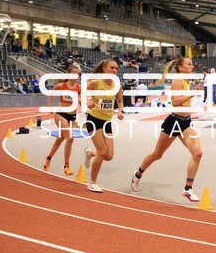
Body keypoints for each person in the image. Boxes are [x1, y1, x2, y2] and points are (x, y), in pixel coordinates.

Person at [130, 57, 203, 202]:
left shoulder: (187, 82)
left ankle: (187, 189)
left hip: (186, 123)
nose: (192, 66)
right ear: (180, 68)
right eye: (189, 64)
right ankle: (137, 174)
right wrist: (193, 93)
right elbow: (175, 102)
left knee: (198, 153)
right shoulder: (178, 80)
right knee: (157, 154)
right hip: (173, 122)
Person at [82, 60, 124, 193]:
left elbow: (120, 100)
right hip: (93, 119)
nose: (114, 70)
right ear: (105, 69)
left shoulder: (116, 85)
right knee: (102, 152)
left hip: (107, 121)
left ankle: (89, 153)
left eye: (116, 68)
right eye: (112, 68)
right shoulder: (95, 83)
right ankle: (92, 182)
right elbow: (80, 96)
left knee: (109, 155)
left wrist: (120, 111)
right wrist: (87, 101)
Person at [43, 63, 82, 177]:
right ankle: (66, 166)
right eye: (73, 74)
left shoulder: (79, 88)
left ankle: (48, 158)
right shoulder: (61, 86)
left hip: (73, 117)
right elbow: (50, 94)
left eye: (77, 74)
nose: (75, 76)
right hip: (61, 114)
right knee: (70, 138)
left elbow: (80, 100)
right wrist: (50, 106)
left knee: (59, 140)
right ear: (68, 74)